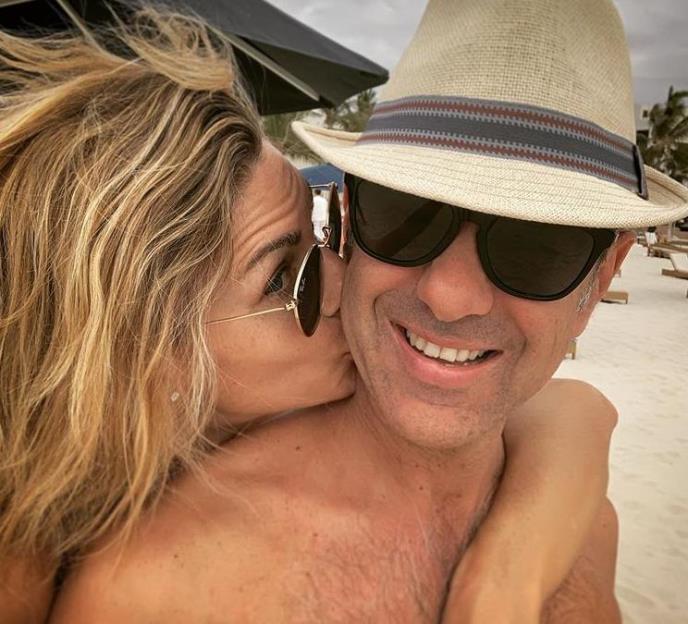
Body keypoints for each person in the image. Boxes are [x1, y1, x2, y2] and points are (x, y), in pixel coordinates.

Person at [0, 5, 636, 624]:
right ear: (138, 359)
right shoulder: (122, 579)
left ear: (604, 276)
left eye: (538, 245)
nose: (340, 279)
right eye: (405, 215)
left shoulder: (579, 521)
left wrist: (502, 579)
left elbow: (577, 410)